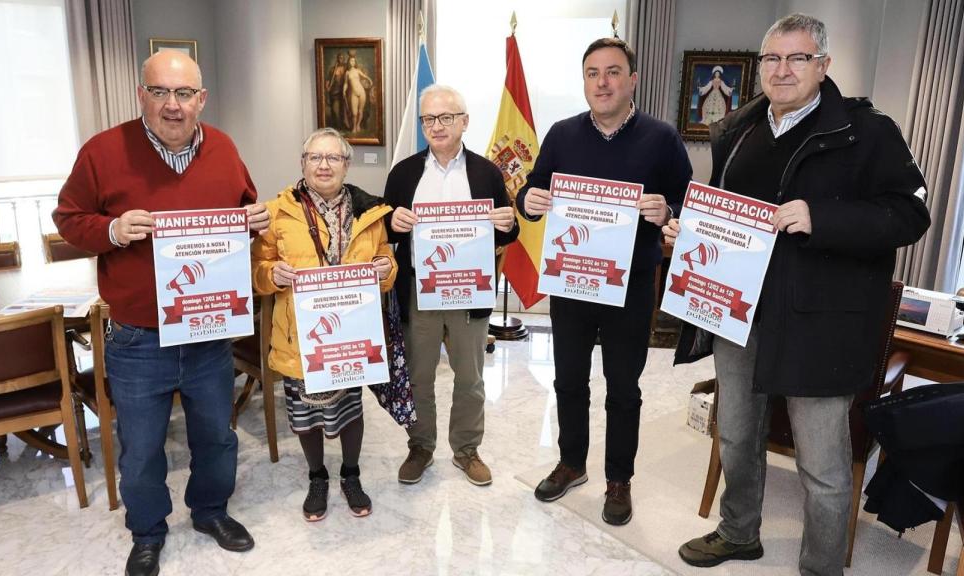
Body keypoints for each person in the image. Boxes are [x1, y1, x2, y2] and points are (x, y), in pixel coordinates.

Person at [666, 14, 930, 575]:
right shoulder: (738, 128)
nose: (782, 70)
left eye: (798, 58)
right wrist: (688, 232)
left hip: (820, 324)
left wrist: (822, 218)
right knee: (736, 434)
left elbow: (910, 214)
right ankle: (739, 533)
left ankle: (821, 567)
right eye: (772, 59)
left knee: (823, 464)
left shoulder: (867, 131)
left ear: (824, 65)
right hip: (740, 312)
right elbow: (728, 215)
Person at [53, 50, 268, 576]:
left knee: (216, 435)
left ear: (202, 98)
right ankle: (148, 532)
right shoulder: (103, 152)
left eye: (184, 93)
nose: (173, 105)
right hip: (137, 337)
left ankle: (210, 511)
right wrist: (111, 230)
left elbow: (246, 206)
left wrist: (253, 219)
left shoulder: (223, 147)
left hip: (208, 326)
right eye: (160, 92)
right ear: (141, 94)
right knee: (142, 448)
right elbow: (68, 218)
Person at [517, 38, 692, 525]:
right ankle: (572, 462)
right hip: (572, 281)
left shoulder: (661, 138)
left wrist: (669, 210)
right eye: (593, 73)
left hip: (631, 283)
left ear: (632, 80)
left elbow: (688, 203)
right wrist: (528, 200)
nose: (603, 82)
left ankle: (619, 479)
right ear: (585, 81)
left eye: (613, 72)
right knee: (568, 379)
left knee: (623, 387)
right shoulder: (562, 134)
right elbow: (535, 187)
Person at [251, 127, 396, 522]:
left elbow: (384, 260)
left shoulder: (370, 210)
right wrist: (270, 275)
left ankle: (351, 474)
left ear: (347, 165)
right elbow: (256, 269)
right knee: (305, 414)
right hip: (303, 335)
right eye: (315, 157)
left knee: (350, 409)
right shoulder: (277, 213)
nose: (324, 165)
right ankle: (317, 476)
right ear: (303, 163)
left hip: (350, 333)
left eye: (333, 158)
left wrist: (386, 268)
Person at [383, 84, 519, 487]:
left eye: (445, 117)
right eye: (428, 119)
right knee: (419, 377)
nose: (436, 126)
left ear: (464, 121)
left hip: (469, 294)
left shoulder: (486, 172)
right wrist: (393, 223)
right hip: (419, 295)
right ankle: (420, 446)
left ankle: (466, 450)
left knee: (470, 378)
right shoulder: (404, 173)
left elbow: (506, 231)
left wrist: (507, 226)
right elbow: (385, 230)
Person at [344, 56, 373, 134]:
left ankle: (358, 125)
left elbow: (364, 76)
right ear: (349, 63)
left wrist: (370, 80)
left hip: (361, 91)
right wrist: (344, 90)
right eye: (351, 61)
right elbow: (346, 83)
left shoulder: (357, 70)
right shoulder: (347, 73)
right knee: (354, 113)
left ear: (355, 62)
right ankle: (354, 127)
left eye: (353, 61)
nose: (352, 62)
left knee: (360, 111)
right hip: (354, 93)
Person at [326, 52, 348, 130]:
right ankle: (338, 126)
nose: (341, 59)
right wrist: (327, 87)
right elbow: (328, 80)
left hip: (344, 92)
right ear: (337, 59)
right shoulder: (333, 69)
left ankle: (344, 125)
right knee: (336, 109)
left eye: (342, 58)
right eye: (340, 58)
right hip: (335, 92)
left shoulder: (346, 68)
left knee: (344, 109)